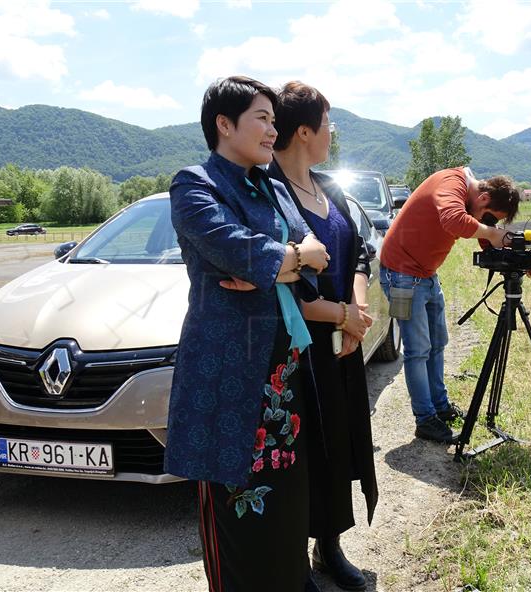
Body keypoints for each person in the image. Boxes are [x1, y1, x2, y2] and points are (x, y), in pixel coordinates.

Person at [164, 75, 330, 592]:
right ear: (223, 123)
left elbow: (314, 257)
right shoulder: (195, 184)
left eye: (275, 121)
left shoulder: (274, 185)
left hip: (282, 373)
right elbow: (237, 250)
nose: (271, 131)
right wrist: (280, 258)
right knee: (237, 521)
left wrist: (283, 261)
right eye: (262, 118)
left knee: (286, 508)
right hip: (228, 380)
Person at [266, 81, 378, 592]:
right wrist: (340, 316)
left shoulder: (328, 187)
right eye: (329, 123)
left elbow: (357, 251)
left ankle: (328, 546)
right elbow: (278, 287)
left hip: (338, 343)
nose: (333, 132)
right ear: (306, 131)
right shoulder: (268, 194)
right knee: (301, 455)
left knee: (337, 442)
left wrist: (355, 306)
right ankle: (292, 558)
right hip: (295, 355)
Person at [379, 167, 520, 443]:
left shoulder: (471, 198)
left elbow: (482, 233)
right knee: (417, 350)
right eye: (490, 218)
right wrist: (491, 233)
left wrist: (508, 249)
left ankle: (440, 407)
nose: (488, 224)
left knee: (437, 344)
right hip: (400, 275)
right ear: (483, 198)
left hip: (426, 275)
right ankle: (425, 419)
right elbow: (454, 220)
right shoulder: (451, 183)